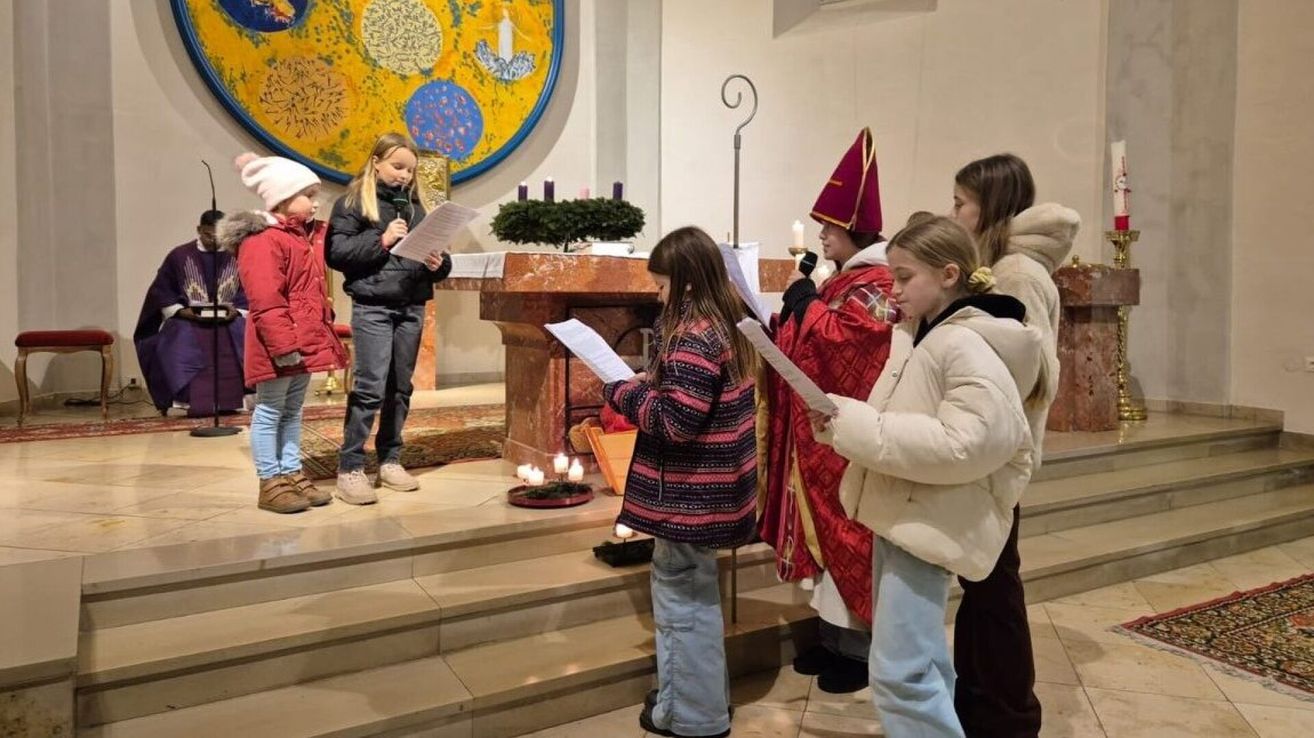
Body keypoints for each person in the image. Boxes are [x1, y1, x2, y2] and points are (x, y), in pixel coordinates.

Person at [814, 215, 1050, 738]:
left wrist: (856, 425)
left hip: (927, 517)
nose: (893, 290)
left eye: (904, 277)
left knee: (901, 673)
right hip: (907, 510)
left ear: (948, 275)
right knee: (919, 663)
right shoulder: (921, 333)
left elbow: (969, 442)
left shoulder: (965, 343)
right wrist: (841, 422)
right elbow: (906, 416)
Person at [605, 226, 758, 738]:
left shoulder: (692, 334)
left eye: (662, 285)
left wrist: (622, 394)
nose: (657, 295)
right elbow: (696, 394)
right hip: (713, 490)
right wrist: (655, 382)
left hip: (688, 495)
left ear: (687, 283)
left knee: (682, 604)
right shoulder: (727, 320)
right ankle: (688, 701)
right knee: (694, 594)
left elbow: (674, 423)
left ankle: (694, 717)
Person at [759, 128, 896, 694]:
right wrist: (789, 314)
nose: (820, 234)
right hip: (817, 432)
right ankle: (833, 640)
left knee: (847, 535)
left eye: (828, 227)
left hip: (847, 436)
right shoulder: (843, 280)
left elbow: (855, 346)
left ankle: (859, 651)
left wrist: (808, 306)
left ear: (852, 229)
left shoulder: (878, 282)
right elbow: (811, 337)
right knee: (823, 538)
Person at [950, 153, 1078, 738]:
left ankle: (1009, 717)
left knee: (995, 586)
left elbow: (1032, 371)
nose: (954, 213)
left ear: (990, 206)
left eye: (961, 203)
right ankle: (978, 702)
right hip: (989, 443)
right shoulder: (999, 264)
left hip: (1000, 449)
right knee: (982, 582)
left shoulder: (1018, 273)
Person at [327, 132, 452, 505]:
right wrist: (381, 241)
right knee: (370, 387)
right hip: (373, 306)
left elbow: (439, 260)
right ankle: (350, 468)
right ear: (376, 162)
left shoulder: (416, 208)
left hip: (411, 306)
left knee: (400, 388)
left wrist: (438, 263)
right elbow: (336, 252)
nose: (404, 176)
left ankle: (390, 459)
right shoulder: (353, 202)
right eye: (398, 167)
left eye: (410, 171)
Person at [219, 153, 348, 514]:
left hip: (303, 342)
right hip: (278, 344)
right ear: (282, 197)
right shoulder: (263, 240)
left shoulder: (300, 236)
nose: (315, 203)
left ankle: (291, 472)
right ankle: (270, 481)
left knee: (292, 411)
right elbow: (266, 300)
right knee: (270, 411)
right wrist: (282, 346)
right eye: (308, 195)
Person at [133, 210, 248, 417]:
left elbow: (250, 289)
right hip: (188, 319)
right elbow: (161, 290)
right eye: (208, 235)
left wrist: (237, 310)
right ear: (199, 230)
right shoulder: (179, 256)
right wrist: (181, 311)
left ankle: (233, 400)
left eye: (219, 236)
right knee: (179, 337)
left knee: (241, 333)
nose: (213, 241)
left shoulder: (239, 254)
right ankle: (189, 400)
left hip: (230, 318)